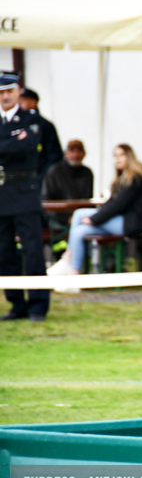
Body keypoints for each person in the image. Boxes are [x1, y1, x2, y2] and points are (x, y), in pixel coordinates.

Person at [46, 144, 142, 292]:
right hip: (122, 220)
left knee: (79, 214)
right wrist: (97, 216)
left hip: (132, 223)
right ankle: (74, 275)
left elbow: (118, 205)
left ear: (129, 157)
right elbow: (112, 203)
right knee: (79, 232)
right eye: (115, 156)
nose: (118, 159)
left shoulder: (134, 178)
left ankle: (67, 259)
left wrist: (94, 219)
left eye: (121, 155)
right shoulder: (121, 178)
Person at [0, 71, 49, 322]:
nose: (5, 97)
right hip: (2, 193)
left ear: (18, 92)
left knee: (32, 250)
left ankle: (38, 304)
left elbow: (27, 145)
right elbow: (14, 145)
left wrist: (7, 144)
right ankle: (16, 303)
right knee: (5, 252)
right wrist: (10, 141)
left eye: (9, 91)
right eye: (1, 93)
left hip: (24, 192)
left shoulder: (30, 118)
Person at [41, 139, 94, 254]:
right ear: (66, 154)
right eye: (72, 151)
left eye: (78, 151)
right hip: (57, 219)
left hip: (80, 218)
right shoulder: (54, 172)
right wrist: (66, 218)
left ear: (84, 154)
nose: (75, 155)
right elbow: (47, 201)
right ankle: (66, 257)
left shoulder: (87, 173)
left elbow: (88, 199)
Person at [19, 88, 62, 186]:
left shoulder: (45, 126)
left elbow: (54, 156)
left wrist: (42, 177)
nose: (20, 103)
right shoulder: (16, 125)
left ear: (34, 102)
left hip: (39, 178)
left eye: (23, 100)